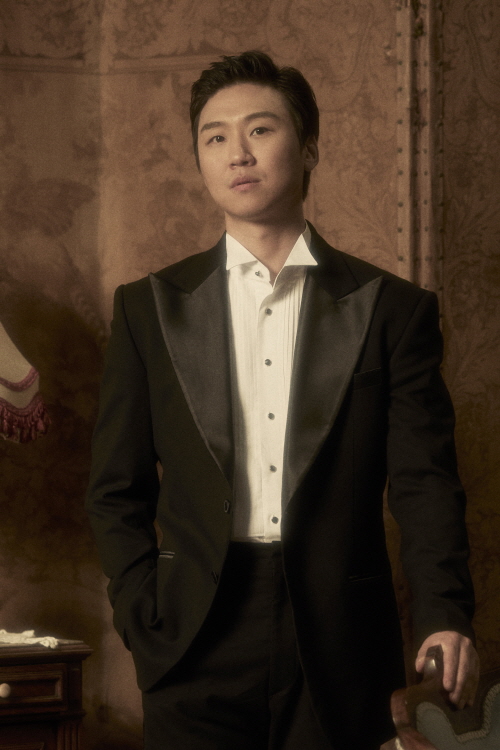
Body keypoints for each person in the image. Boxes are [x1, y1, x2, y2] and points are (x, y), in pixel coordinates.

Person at [86, 51, 479, 750]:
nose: (237, 153)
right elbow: (116, 489)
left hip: (340, 642)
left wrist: (444, 615)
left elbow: (426, 483)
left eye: (260, 130)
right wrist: (141, 612)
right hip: (190, 636)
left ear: (309, 147)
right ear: (200, 159)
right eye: (214, 137)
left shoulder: (392, 310)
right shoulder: (148, 310)